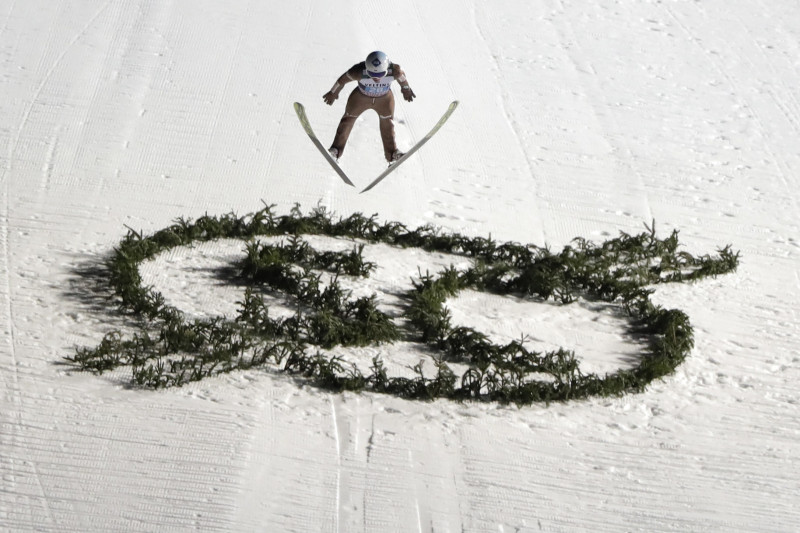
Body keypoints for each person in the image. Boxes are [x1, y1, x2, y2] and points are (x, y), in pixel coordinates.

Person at [323, 51, 416, 163]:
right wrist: (333, 93)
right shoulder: (358, 71)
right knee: (348, 120)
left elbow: (403, 80)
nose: (376, 78)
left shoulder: (394, 71)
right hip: (361, 98)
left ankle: (392, 153)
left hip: (384, 100)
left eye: (380, 75)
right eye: (372, 74)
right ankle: (336, 150)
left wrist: (406, 90)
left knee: (388, 124)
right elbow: (341, 81)